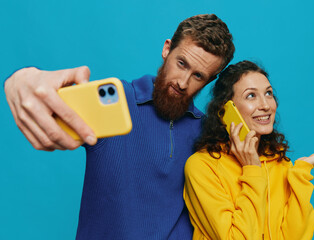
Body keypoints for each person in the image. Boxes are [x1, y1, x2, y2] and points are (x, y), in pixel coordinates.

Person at [4, 14, 235, 239]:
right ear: (167, 50)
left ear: (210, 80)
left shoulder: (207, 132)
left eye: (198, 76)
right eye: (181, 63)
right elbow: (47, 104)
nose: (183, 83)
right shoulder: (114, 100)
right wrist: (20, 80)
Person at [183, 60, 314, 240]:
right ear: (226, 110)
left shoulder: (280, 164)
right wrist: (252, 170)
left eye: (268, 93)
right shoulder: (202, 167)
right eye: (251, 96)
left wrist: (300, 174)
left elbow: (296, 236)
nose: (266, 105)